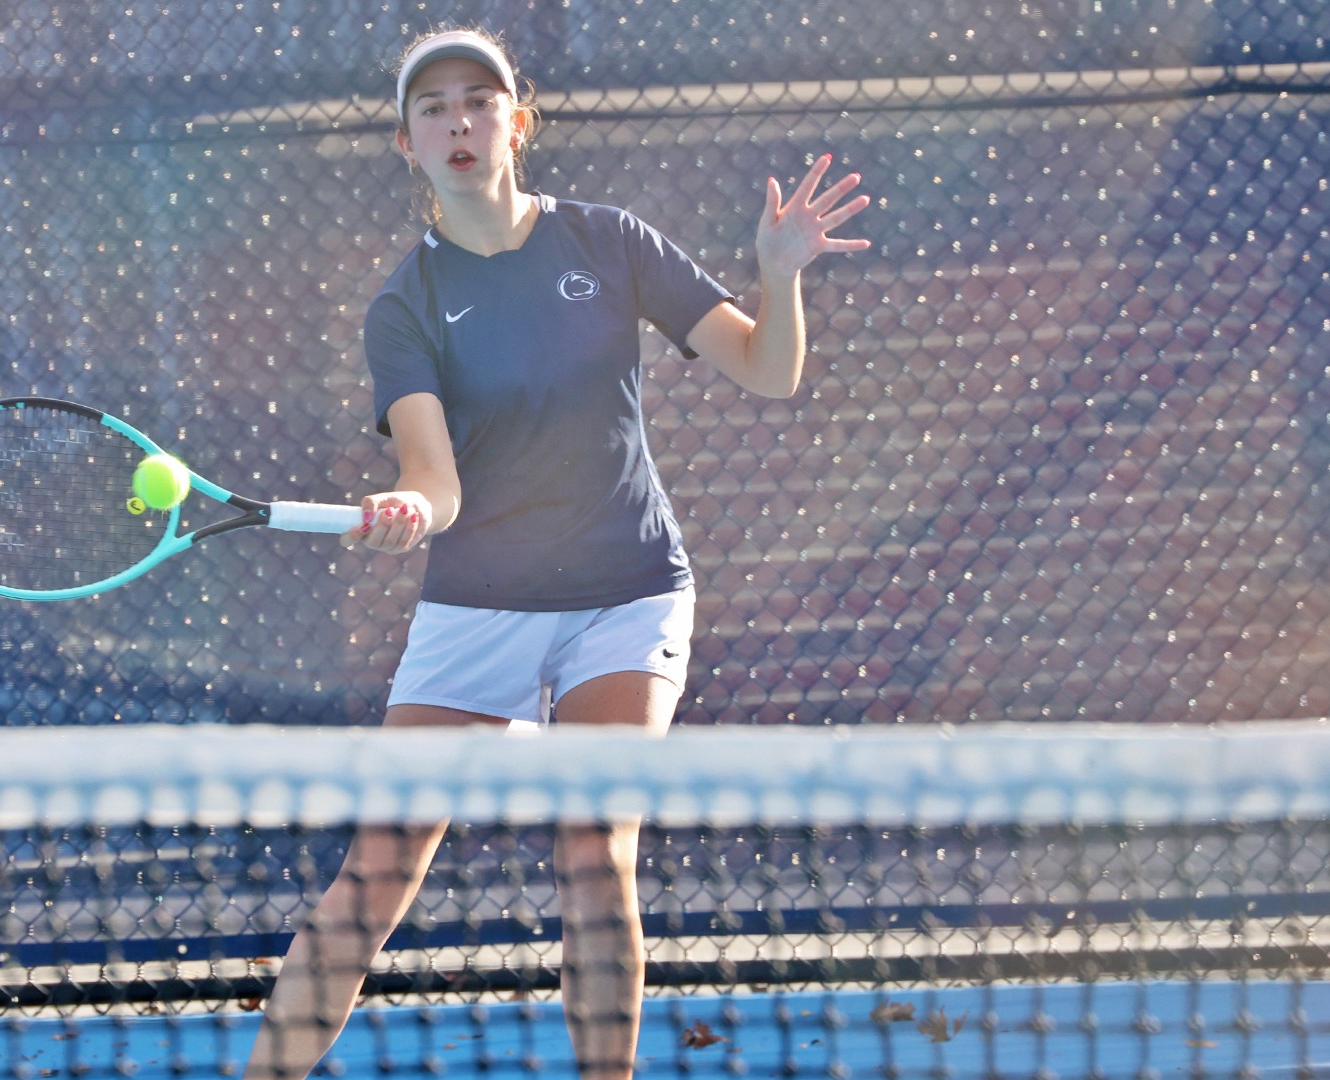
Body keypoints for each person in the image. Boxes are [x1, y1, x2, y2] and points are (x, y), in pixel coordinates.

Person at [243, 26, 870, 1080]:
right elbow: (437, 481)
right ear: (406, 142)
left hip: (623, 593)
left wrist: (778, 277)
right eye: (433, 107)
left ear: (516, 124)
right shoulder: (405, 304)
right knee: (373, 878)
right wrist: (407, 503)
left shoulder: (609, 243)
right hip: (477, 602)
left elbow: (768, 372)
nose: (457, 120)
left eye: (477, 100)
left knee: (594, 854)